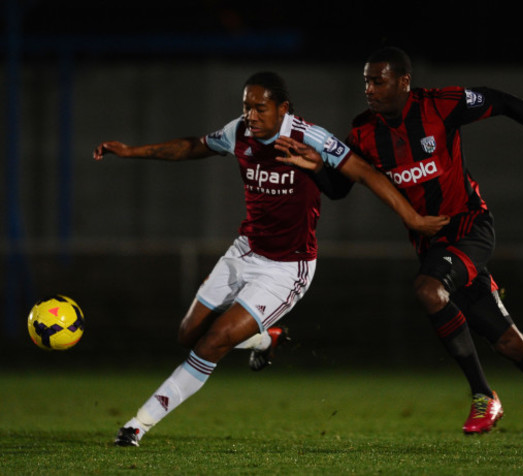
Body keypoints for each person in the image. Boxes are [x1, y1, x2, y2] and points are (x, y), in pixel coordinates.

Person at [274, 47, 523, 451]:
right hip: (433, 246)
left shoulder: (439, 106)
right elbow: (339, 190)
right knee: (510, 343)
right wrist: (316, 167)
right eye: (366, 81)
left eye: (378, 80)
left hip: (470, 226)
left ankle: (483, 395)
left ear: (404, 81)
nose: (369, 89)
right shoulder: (363, 133)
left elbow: (503, 101)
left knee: (427, 289)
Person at [93, 71, 447, 447]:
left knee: (213, 341)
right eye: (246, 107)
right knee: (188, 334)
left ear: (283, 109)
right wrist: (133, 151)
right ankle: (265, 340)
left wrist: (411, 218)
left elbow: (364, 173)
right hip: (245, 250)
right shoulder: (239, 133)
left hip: (287, 267)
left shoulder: (308, 136)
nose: (251, 115)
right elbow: (194, 146)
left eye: (260, 108)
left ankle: (137, 424)